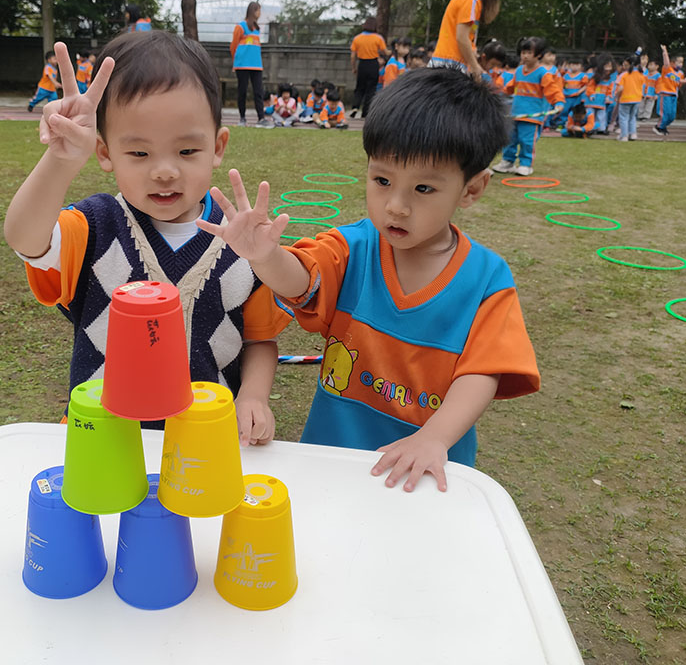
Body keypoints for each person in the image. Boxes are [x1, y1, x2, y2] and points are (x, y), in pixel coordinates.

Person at [195, 68, 539, 492]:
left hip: (424, 475)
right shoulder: (352, 247)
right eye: (382, 180)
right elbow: (301, 281)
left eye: (424, 189)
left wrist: (433, 438)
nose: (396, 206)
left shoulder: (487, 279)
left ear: (471, 189)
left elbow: (483, 372)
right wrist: (266, 257)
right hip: (332, 459)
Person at [4, 33, 291, 445]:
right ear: (105, 152)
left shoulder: (244, 242)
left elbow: (259, 338)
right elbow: (25, 239)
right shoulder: (95, 228)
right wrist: (59, 161)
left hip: (205, 444)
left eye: (187, 151)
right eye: (139, 153)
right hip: (105, 443)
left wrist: (254, 396)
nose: (164, 171)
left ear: (217, 146)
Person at [494, 37, 565, 176]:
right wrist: (499, 92)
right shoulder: (519, 70)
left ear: (538, 55)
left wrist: (559, 102)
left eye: (529, 53)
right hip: (515, 113)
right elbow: (510, 87)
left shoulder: (543, 73)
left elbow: (552, 90)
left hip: (532, 115)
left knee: (527, 141)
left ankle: (526, 164)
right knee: (510, 139)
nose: (525, 56)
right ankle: (507, 162)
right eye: (523, 52)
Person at [429, 0, 508, 79]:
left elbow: (467, 36)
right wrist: (475, 66)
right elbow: (461, 38)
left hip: (449, 62)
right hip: (450, 64)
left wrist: (472, 52)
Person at [230, 2, 271, 127]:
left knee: (258, 92)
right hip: (242, 65)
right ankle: (242, 118)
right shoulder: (240, 27)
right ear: (252, 11)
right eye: (258, 10)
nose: (260, 13)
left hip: (256, 65)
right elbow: (233, 46)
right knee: (242, 91)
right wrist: (235, 61)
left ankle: (261, 118)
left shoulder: (257, 29)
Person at [349, 17, 389, 118]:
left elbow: (353, 56)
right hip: (373, 64)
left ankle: (355, 106)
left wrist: (354, 68)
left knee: (359, 87)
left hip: (362, 64)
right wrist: (393, 52)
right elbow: (385, 52)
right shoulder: (378, 38)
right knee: (371, 89)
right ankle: (365, 112)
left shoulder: (357, 38)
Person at [654, 45, 686, 138]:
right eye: (679, 62)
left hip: (673, 95)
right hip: (665, 94)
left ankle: (663, 126)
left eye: (682, 62)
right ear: (672, 63)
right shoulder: (667, 69)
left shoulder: (681, 73)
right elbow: (666, 62)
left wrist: (683, 82)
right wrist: (665, 52)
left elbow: (678, 84)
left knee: (672, 116)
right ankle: (659, 127)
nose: (681, 64)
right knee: (665, 113)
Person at [615, 54, 645, 142]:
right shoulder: (641, 75)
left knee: (624, 117)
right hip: (637, 99)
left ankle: (624, 135)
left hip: (625, 99)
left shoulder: (624, 75)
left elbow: (620, 88)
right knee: (632, 117)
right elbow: (643, 86)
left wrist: (616, 96)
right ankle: (633, 134)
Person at [584, 53, 616, 134]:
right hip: (592, 101)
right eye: (606, 66)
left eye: (610, 66)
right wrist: (591, 94)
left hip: (602, 101)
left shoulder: (610, 79)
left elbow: (610, 89)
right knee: (591, 115)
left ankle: (601, 129)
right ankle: (590, 128)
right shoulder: (594, 77)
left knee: (601, 115)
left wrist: (608, 97)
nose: (608, 69)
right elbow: (590, 87)